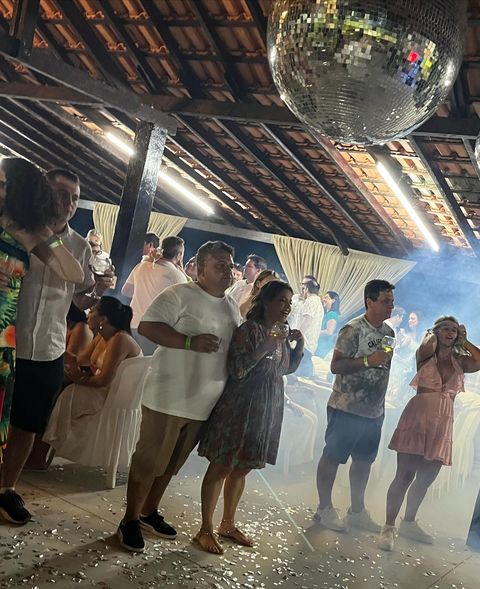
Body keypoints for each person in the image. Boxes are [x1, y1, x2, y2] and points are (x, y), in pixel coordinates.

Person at [0, 168, 114, 525]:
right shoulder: (13, 228)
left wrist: (98, 291)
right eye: (62, 194)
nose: (68, 204)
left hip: (48, 346)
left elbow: (79, 298)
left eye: (75, 198)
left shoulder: (78, 245)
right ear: (41, 192)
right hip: (7, 341)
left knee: (27, 425)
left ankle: (6, 489)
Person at [117, 241, 241, 553]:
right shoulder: (180, 294)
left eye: (230, 265)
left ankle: (149, 512)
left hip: (203, 403)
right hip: (168, 398)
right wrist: (188, 342)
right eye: (220, 265)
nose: (227, 271)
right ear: (200, 270)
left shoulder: (231, 306)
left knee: (172, 465)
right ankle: (129, 519)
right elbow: (147, 326)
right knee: (148, 462)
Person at [194, 281, 304, 554]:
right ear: (266, 302)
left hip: (266, 410)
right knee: (222, 466)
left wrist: (298, 346)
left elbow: (284, 369)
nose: (287, 307)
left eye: (289, 302)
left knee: (243, 467)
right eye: (281, 300)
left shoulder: (280, 333)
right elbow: (238, 369)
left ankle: (227, 524)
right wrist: (266, 345)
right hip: (240, 407)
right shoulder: (250, 330)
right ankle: (205, 530)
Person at [0, 159, 85, 464]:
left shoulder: (24, 232)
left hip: (8, 338)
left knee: (17, 423)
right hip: (10, 334)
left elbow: (74, 274)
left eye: (3, 184)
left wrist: (44, 232)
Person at [379, 317, 480, 551]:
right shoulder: (425, 355)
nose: (450, 332)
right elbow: (427, 344)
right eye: (446, 328)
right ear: (436, 331)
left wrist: (464, 341)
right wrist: (435, 333)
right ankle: (388, 526)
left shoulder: (460, 361)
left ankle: (409, 522)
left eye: (454, 330)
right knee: (404, 475)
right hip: (418, 417)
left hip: (443, 422)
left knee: (425, 479)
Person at [315, 280, 395, 532]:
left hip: (374, 411)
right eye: (385, 301)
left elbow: (384, 365)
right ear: (370, 302)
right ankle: (324, 509)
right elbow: (335, 366)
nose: (391, 306)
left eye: (392, 301)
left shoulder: (389, 333)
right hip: (346, 407)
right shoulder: (353, 329)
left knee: (363, 461)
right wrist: (368, 361)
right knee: (333, 457)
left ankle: (357, 512)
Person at [43, 297, 141, 451]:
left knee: (65, 393)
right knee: (56, 386)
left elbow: (104, 380)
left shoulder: (120, 339)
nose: (88, 314)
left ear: (103, 319)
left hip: (114, 395)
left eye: (92, 311)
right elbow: (80, 360)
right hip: (101, 388)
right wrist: (55, 347)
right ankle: (46, 445)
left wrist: (80, 379)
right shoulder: (102, 336)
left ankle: (48, 447)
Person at [122, 235, 187, 354]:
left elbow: (126, 291)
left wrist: (143, 293)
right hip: (154, 329)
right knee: (146, 362)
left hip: (132, 322)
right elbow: (184, 305)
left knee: (128, 361)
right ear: (179, 255)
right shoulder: (177, 276)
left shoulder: (141, 266)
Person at [294, 276, 324, 377]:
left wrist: (295, 338)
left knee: (297, 375)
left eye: (302, 286)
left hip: (303, 344)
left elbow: (306, 321)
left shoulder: (311, 301)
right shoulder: (317, 301)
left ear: (306, 289)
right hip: (307, 344)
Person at [316, 291, 341, 358]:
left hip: (323, 348)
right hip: (321, 347)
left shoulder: (332, 314)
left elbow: (329, 331)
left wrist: (315, 333)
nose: (324, 299)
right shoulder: (328, 314)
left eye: (326, 297)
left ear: (333, 300)